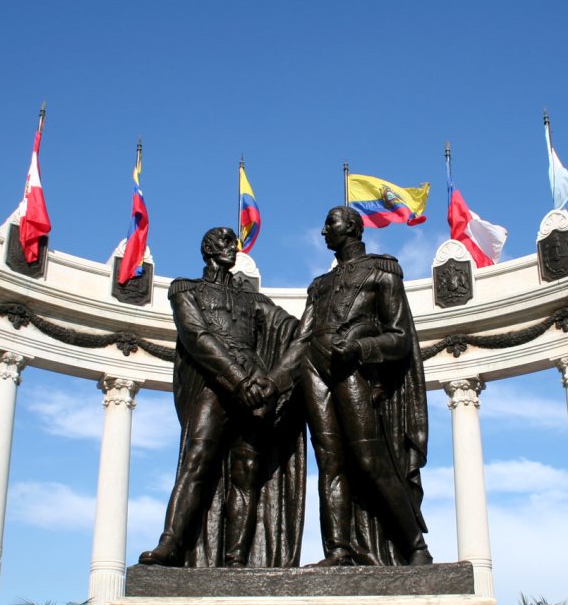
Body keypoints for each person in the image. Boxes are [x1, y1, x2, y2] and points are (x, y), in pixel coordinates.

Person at [272, 206, 432, 566]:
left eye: (331, 221)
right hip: (315, 365)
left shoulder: (382, 270)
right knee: (329, 461)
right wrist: (272, 382)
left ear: (353, 227)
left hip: (353, 367)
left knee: (367, 457)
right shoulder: (320, 285)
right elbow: (301, 338)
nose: (324, 229)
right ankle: (338, 549)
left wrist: (361, 348)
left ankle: (415, 545)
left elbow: (401, 337)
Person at [138, 227, 305, 568]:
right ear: (209, 248)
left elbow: (293, 330)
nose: (234, 247)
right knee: (196, 460)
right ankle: (170, 542)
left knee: (248, 470)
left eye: (235, 242)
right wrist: (238, 379)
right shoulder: (186, 289)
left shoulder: (253, 300)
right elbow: (196, 336)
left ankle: (237, 558)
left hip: (255, 388)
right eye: (226, 242)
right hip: (216, 385)